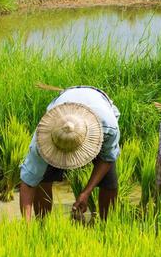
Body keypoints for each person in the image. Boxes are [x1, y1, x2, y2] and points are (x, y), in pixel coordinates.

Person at [19, 86, 120, 222]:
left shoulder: (108, 127)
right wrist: (27, 227)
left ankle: (107, 225)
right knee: (43, 178)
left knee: (109, 182)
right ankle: (42, 224)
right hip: (62, 112)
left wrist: (86, 192)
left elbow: (108, 158)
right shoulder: (42, 139)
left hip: (96, 113)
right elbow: (28, 182)